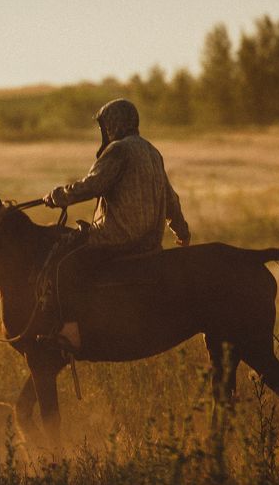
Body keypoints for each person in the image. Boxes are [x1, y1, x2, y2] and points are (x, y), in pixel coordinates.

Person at [42, 98, 191, 351]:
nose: (103, 132)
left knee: (60, 262)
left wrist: (58, 196)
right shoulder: (152, 151)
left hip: (117, 237)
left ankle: (68, 331)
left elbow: (93, 185)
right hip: (150, 241)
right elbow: (170, 198)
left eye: (104, 126)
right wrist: (181, 230)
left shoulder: (118, 150)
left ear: (112, 125)